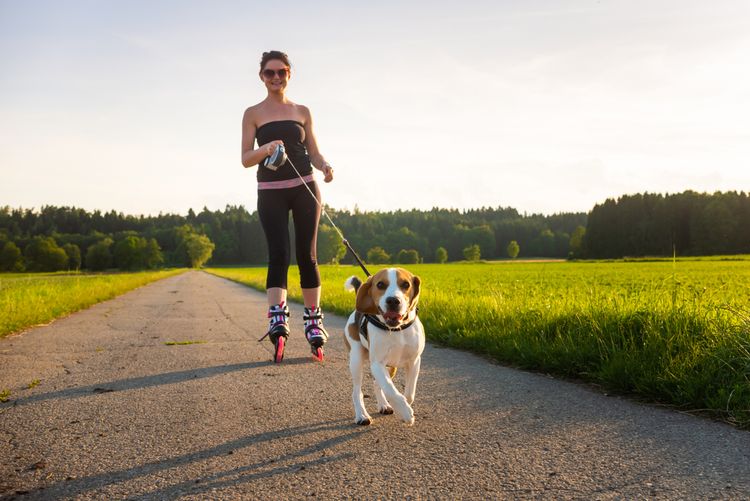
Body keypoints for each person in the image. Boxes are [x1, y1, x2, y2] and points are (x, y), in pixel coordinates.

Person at [241, 50, 334, 362]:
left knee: (307, 255)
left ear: (289, 74)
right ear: (262, 77)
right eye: (270, 73)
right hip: (270, 191)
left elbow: (315, 152)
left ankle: (313, 322)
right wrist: (265, 148)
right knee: (278, 254)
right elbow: (245, 159)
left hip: (305, 187)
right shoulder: (252, 113)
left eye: (281, 72)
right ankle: (278, 320)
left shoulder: (302, 111)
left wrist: (325, 166)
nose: (276, 78)